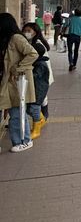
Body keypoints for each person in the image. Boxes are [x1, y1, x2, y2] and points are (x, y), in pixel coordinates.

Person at [0, 13, 39, 153]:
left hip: (17, 81)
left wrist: (18, 68)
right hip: (8, 81)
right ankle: (23, 140)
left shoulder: (16, 38)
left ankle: (24, 141)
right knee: (14, 111)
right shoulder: (6, 40)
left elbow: (33, 53)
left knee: (17, 113)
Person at [22, 22, 50, 139]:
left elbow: (36, 75)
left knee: (35, 106)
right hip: (35, 87)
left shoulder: (38, 45)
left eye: (29, 30)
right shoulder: (30, 43)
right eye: (25, 30)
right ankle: (41, 118)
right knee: (32, 107)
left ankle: (37, 127)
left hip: (38, 87)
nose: (26, 33)